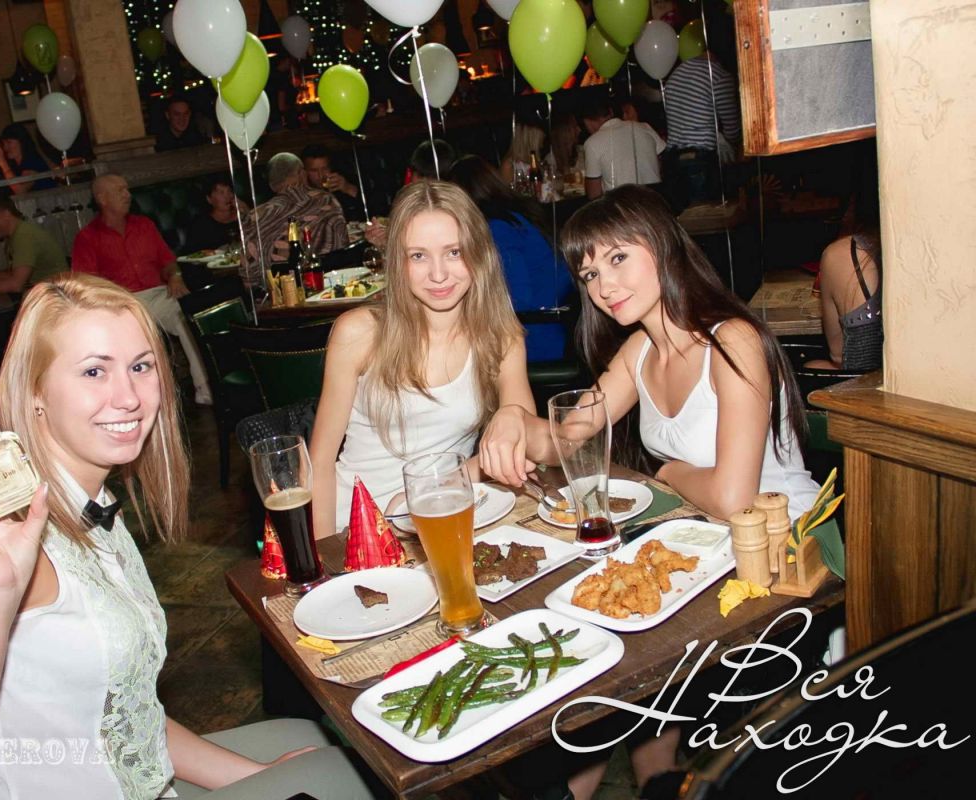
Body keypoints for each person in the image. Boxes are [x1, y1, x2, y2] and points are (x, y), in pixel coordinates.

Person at [0, 273, 378, 799]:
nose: (128, 397)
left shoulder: (94, 505)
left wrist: (253, 775)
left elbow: (122, 719)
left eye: (141, 366)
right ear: (35, 392)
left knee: (326, 752)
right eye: (94, 371)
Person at [480, 185, 819, 797]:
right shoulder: (640, 349)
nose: (603, 285)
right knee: (588, 623)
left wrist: (665, 474)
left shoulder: (732, 340)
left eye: (618, 258)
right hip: (705, 545)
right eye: (589, 273)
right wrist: (510, 417)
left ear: (662, 247)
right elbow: (567, 437)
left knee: (617, 649)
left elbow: (734, 498)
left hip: (784, 551)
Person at [309, 179, 535, 537]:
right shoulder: (360, 332)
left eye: (454, 252)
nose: (438, 274)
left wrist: (432, 488)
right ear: (398, 263)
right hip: (354, 529)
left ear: (479, 253)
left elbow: (525, 444)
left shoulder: (501, 337)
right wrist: (324, 554)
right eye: (418, 256)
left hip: (442, 519)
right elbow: (319, 463)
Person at [71, 174, 212, 406]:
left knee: (187, 315)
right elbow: (87, 284)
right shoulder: (87, 238)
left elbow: (168, 261)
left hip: (158, 293)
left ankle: (205, 388)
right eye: (120, 190)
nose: (128, 195)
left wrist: (175, 276)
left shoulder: (144, 225)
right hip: (121, 303)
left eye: (127, 189)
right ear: (102, 199)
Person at [449, 155, 574, 363]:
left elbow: (519, 299)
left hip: (538, 336)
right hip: (559, 322)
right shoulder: (518, 214)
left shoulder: (498, 229)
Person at [804, 190, 882, 371]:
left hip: (870, 385)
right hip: (931, 377)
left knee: (811, 366)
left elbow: (838, 354)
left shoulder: (846, 254)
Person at [661, 52, 741, 206]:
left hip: (673, 158)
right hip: (701, 158)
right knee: (707, 214)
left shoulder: (676, 75)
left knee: (683, 215)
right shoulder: (718, 76)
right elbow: (732, 128)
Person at [245, 153, 348, 274]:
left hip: (279, 284)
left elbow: (248, 274)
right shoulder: (325, 199)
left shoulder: (254, 216)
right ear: (302, 174)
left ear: (271, 185)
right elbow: (343, 249)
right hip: (330, 277)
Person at [363, 139, 457, 249]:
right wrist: (384, 242)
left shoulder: (454, 208)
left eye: (430, 177)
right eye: (419, 175)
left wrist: (392, 240)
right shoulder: (406, 200)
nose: (424, 183)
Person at [0, 195, 67, 294]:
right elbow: (13, 273)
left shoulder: (24, 236)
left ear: (6, 214)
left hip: (55, 296)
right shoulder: (17, 233)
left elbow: (16, 285)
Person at [579, 97, 665, 199]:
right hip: (655, 199)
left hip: (622, 204)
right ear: (611, 112)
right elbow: (662, 161)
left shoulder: (592, 143)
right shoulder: (645, 127)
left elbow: (594, 194)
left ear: (587, 121)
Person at [181, 175, 245, 256]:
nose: (228, 196)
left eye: (229, 191)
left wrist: (247, 212)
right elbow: (193, 255)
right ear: (209, 199)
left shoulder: (242, 216)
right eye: (221, 193)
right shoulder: (201, 225)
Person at [301, 143, 366, 222]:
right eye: (314, 171)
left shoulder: (341, 182)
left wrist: (348, 188)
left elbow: (371, 209)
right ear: (304, 172)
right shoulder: (300, 191)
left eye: (324, 168)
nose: (321, 175)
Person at [0, 123, 56, 195]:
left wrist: (3, 164)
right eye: (4, 143)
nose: (5, 147)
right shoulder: (15, 166)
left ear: (21, 142)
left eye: (9, 142)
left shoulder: (32, 162)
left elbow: (21, 190)